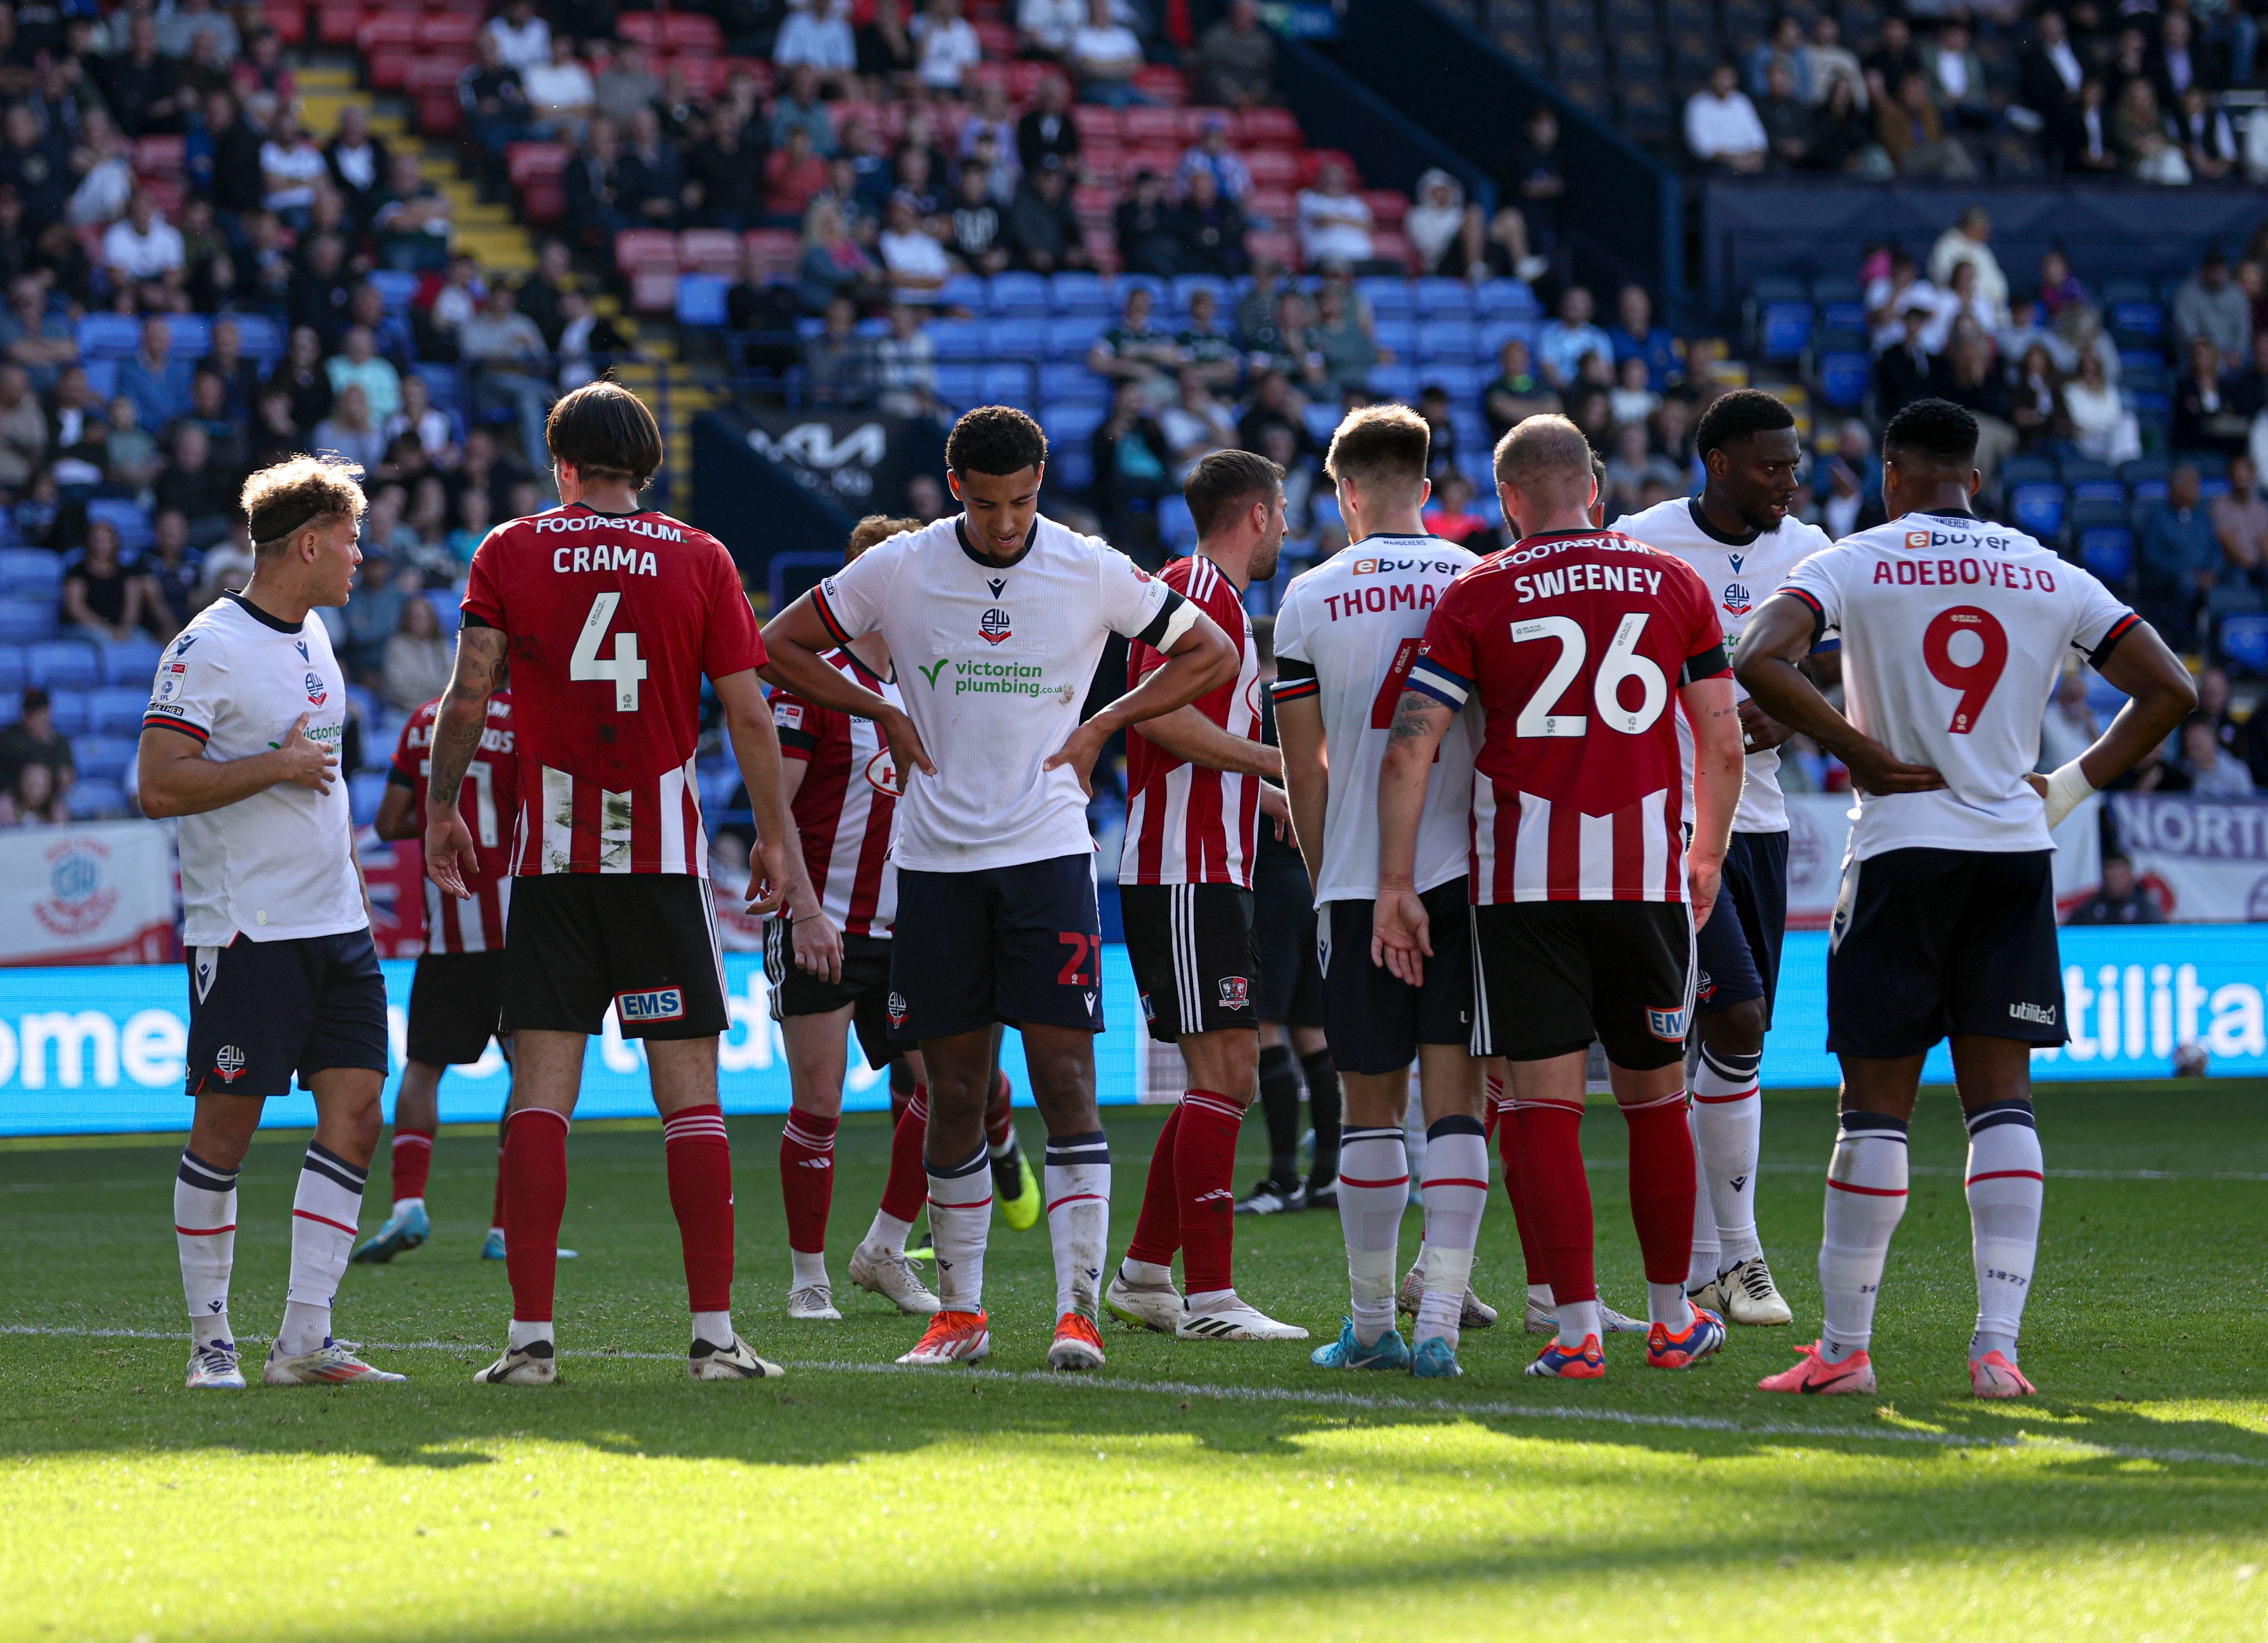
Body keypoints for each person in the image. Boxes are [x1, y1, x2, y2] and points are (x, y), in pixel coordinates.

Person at [758, 405, 1236, 1371]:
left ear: (1040, 483)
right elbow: (775, 643)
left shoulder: (1088, 563)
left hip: (1046, 855)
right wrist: (880, 708)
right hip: (934, 867)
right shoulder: (901, 566)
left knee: (1064, 1080)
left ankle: (1077, 1312)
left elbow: (1210, 652)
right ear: (954, 493)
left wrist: (1103, 724)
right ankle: (960, 1316)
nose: (1006, 523)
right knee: (956, 1091)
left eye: (1020, 502)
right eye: (987, 505)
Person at [1737, 397, 2196, 1399]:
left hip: (1901, 849)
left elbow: (1756, 657)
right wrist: (2063, 788)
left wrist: (1858, 752)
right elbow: (2170, 690)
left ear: (1893, 475)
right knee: (2001, 1104)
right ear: (1973, 481)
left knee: (1873, 1115)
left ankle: (1844, 1353)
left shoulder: (1853, 559)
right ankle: (1996, 1351)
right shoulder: (2046, 569)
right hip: (2009, 853)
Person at [428, 382, 797, 1386]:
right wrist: (774, 839)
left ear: (562, 465)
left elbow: (467, 699)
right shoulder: (702, 556)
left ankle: (530, 1345)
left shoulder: (507, 550)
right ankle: (715, 1340)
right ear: (647, 466)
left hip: (550, 865)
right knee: (692, 1102)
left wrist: (441, 809)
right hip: (663, 864)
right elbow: (751, 717)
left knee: (540, 1098)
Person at [1384, 410, 1742, 1377]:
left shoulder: (1476, 591)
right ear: (1593, 487)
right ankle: (1672, 1319)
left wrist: (1390, 882)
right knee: (1656, 1099)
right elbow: (1720, 738)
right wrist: (1705, 850)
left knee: (1542, 1106)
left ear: (1506, 499)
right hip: (1645, 879)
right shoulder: (1673, 582)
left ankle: (1576, 1330)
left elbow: (1411, 745)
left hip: (1522, 884)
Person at [137, 455, 404, 1391]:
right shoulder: (205, 647)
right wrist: (272, 767)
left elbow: (317, 784)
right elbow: (159, 784)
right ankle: (212, 1339)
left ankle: (304, 1340)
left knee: (359, 1115)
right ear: (307, 544)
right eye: (351, 539)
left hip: (337, 925)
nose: (361, 556)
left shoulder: (316, 635)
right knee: (225, 1134)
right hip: (246, 931)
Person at [764, 513, 1039, 1324]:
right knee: (818, 1103)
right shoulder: (811, 683)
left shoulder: (933, 680)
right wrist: (806, 910)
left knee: (944, 1087)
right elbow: (771, 804)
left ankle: (884, 1247)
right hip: (825, 923)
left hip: (914, 921)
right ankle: (807, 1277)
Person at [1270, 405, 1492, 1379]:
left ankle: (1369, 1325)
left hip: (1361, 880)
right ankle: (1439, 1320)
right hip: (1466, 875)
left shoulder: (1309, 596)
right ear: (1428, 484)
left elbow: (1304, 768)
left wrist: (1332, 883)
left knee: (1368, 1107)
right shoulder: (1478, 578)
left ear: (1344, 491)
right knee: (1456, 1104)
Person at [1609, 387, 1829, 1327]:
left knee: (1733, 1044)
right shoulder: (1641, 538)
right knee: (1729, 1020)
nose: (1788, 480)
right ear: (1719, 464)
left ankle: (1703, 1265)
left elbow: (1818, 677)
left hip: (1763, 821)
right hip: (1669, 824)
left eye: (1793, 465)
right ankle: (1738, 1258)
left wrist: (1765, 718)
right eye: (1771, 464)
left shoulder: (1808, 550)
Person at [1104, 449, 1306, 1344]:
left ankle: (1148, 1274)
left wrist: (1269, 797)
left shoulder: (1212, 596)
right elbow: (1151, 717)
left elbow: (1200, 737)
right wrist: (1281, 765)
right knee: (1226, 1073)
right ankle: (1212, 1297)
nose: (1289, 529)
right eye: (1284, 512)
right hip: (1179, 866)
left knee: (1217, 1079)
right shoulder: (1192, 589)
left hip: (1213, 861)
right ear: (1256, 513)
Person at [354, 679, 537, 1265]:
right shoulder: (532, 717)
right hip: (520, 931)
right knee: (533, 1071)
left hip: (447, 929)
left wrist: (443, 828)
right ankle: (508, 1229)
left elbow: (387, 822)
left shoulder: (423, 721)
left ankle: (408, 1203)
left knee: (423, 1068)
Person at [1686, 63, 1768, 171]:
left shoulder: (1741, 101)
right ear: (1712, 80)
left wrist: (1753, 159)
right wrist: (1733, 160)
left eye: (1730, 78)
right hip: (1716, 165)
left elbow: (1759, 140)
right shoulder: (1698, 105)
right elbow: (1703, 147)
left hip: (1748, 161)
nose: (1726, 82)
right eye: (1722, 78)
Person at [2064, 853, 2164, 924]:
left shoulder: (2145, 909)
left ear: (2130, 877)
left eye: (2119, 877)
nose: (2115, 881)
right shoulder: (2090, 908)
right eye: (2111, 877)